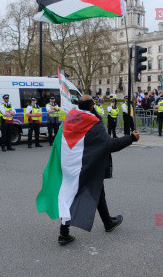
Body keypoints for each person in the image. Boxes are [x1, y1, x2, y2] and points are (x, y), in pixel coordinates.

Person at [36, 95, 140, 245]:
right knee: (74, 194)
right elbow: (110, 145)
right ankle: (64, 233)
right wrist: (131, 138)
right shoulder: (93, 123)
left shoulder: (70, 117)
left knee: (95, 191)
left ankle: (107, 222)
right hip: (86, 165)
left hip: (70, 165)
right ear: (92, 107)